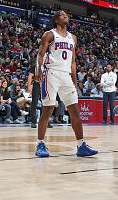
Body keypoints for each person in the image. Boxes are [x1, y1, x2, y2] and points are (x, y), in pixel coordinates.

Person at [34, 11, 98, 158]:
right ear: (56, 20)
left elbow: (73, 62)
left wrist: (74, 81)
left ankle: (81, 145)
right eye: (62, 15)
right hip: (51, 73)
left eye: (67, 15)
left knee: (75, 111)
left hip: (66, 76)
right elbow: (40, 54)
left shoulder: (72, 38)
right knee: (47, 110)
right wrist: (38, 70)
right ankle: (40, 144)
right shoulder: (49, 34)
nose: (66, 16)